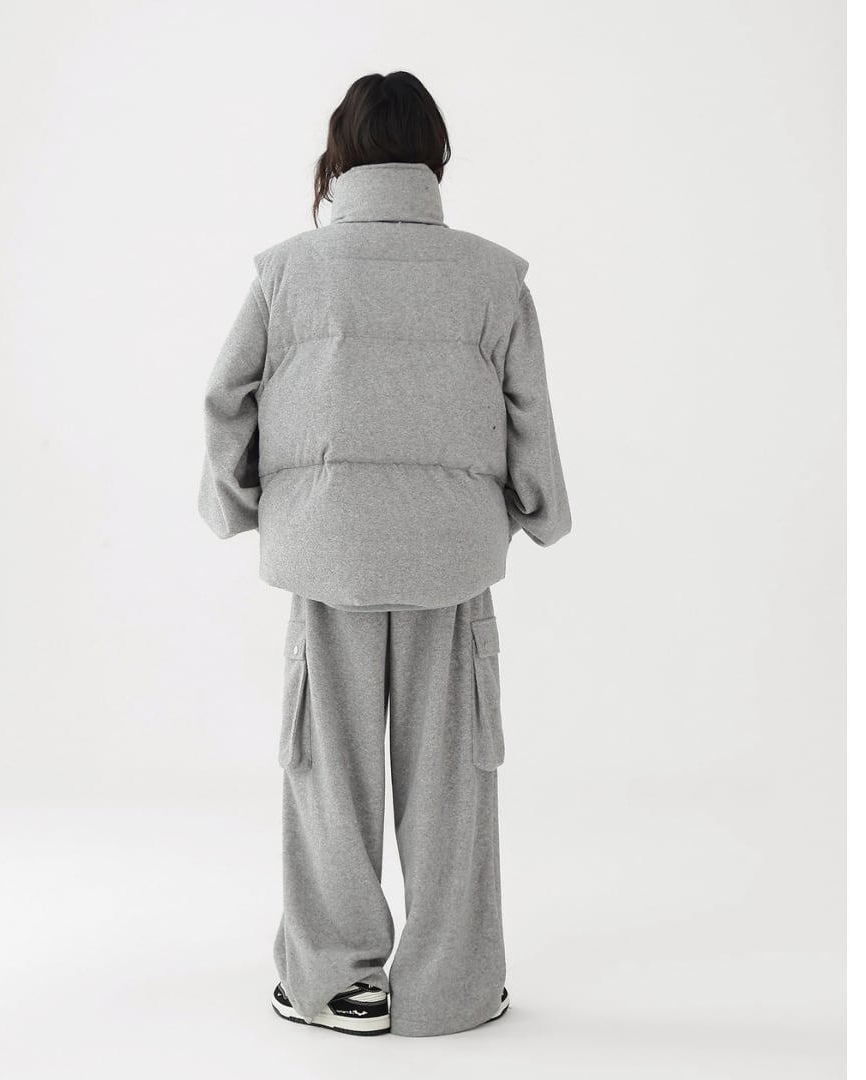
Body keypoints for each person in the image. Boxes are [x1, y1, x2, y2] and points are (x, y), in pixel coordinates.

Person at [198, 70, 571, 1038]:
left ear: (341, 157)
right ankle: (453, 988)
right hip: (450, 559)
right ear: (434, 156)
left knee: (329, 776)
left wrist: (247, 503)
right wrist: (534, 509)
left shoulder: (286, 273)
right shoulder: (493, 277)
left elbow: (225, 398)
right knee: (452, 782)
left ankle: (335, 983)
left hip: (326, 557)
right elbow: (530, 417)